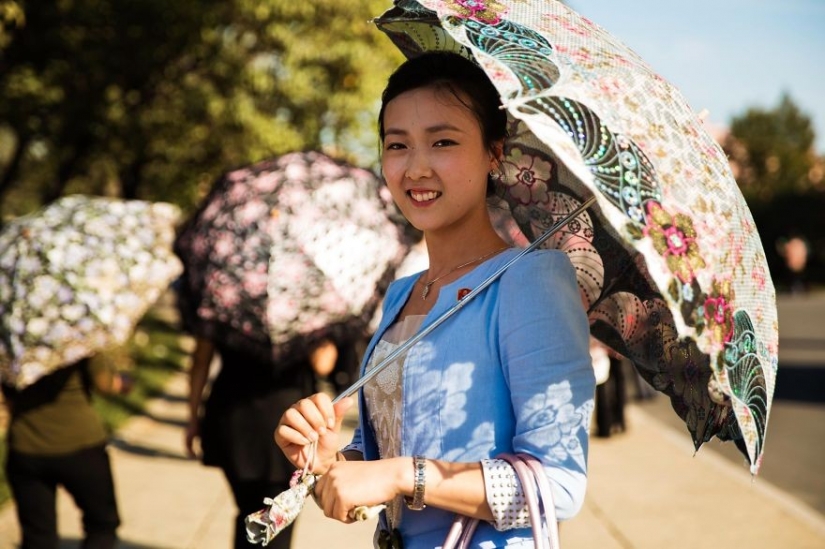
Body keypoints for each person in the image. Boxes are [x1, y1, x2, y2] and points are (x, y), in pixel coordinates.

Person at [274, 52, 595, 548]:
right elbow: (384, 452)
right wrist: (330, 462)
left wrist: (406, 476)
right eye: (397, 145)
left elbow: (559, 484)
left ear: (494, 153)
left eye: (443, 142)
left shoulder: (530, 280)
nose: (416, 167)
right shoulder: (405, 291)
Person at [184, 336, 335, 549]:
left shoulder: (227, 306)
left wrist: (192, 418)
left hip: (232, 416)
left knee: (247, 509)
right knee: (277, 518)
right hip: (288, 420)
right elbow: (323, 364)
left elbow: (201, 360)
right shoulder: (306, 309)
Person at [2, 356, 128, 549]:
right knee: (101, 524)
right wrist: (126, 382)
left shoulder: (12, 342)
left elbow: (8, 396)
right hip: (80, 446)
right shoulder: (76, 337)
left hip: (25, 446)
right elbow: (105, 384)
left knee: (38, 537)